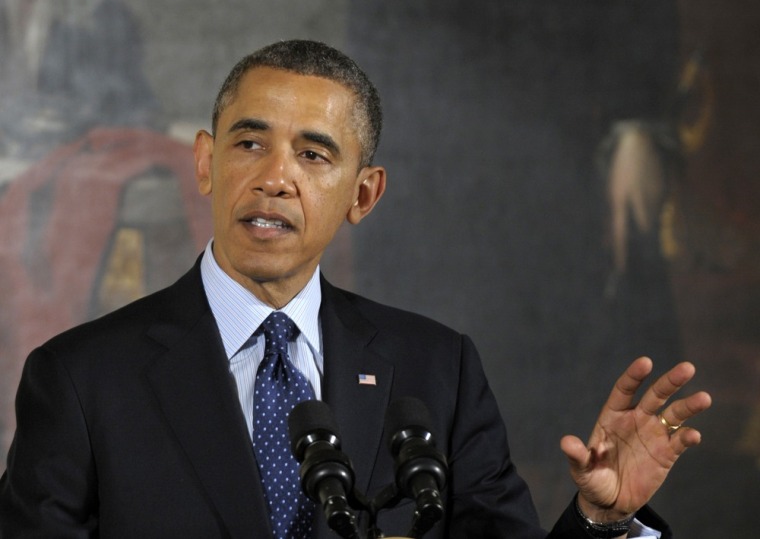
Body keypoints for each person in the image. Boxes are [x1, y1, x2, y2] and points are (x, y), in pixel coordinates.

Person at [0, 39, 711, 539]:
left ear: (363, 195)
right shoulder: (80, 378)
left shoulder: (439, 368)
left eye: (313, 153)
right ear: (206, 161)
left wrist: (600, 521)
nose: (275, 176)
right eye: (249, 143)